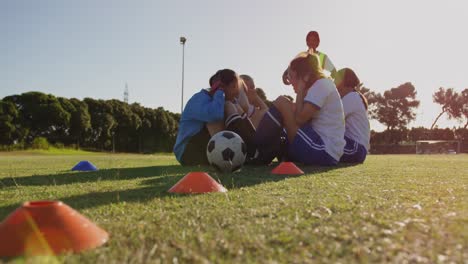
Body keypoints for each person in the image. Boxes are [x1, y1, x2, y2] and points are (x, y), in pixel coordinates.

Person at [256, 52, 345, 166]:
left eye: (292, 77)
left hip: (324, 150)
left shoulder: (322, 85)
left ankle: (255, 147)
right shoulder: (317, 87)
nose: (291, 82)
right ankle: (263, 150)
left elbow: (299, 119)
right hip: (323, 151)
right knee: (287, 107)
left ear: (306, 76)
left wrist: (301, 88)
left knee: (282, 102)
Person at [173, 69, 240, 165]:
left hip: (199, 146)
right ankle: (224, 159)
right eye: (234, 86)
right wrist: (220, 91)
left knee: (227, 108)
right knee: (215, 116)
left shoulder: (219, 100)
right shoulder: (199, 99)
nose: (237, 92)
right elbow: (215, 115)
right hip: (187, 151)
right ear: (222, 86)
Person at [334, 68, 370, 163]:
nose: (335, 85)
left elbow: (331, 118)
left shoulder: (351, 98)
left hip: (356, 148)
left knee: (326, 145)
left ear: (342, 83)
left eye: (336, 81)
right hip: (355, 148)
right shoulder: (353, 97)